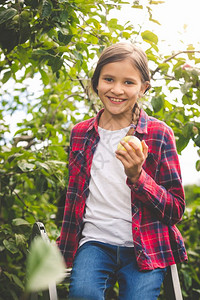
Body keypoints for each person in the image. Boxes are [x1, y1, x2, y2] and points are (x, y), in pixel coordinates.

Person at [57, 42, 187, 300]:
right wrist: (63, 248)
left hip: (145, 245)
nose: (116, 90)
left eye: (128, 82)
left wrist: (139, 177)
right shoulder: (80, 134)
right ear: (96, 83)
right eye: (108, 79)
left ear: (144, 88)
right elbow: (73, 198)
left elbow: (175, 209)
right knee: (83, 293)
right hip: (95, 243)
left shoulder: (159, 134)